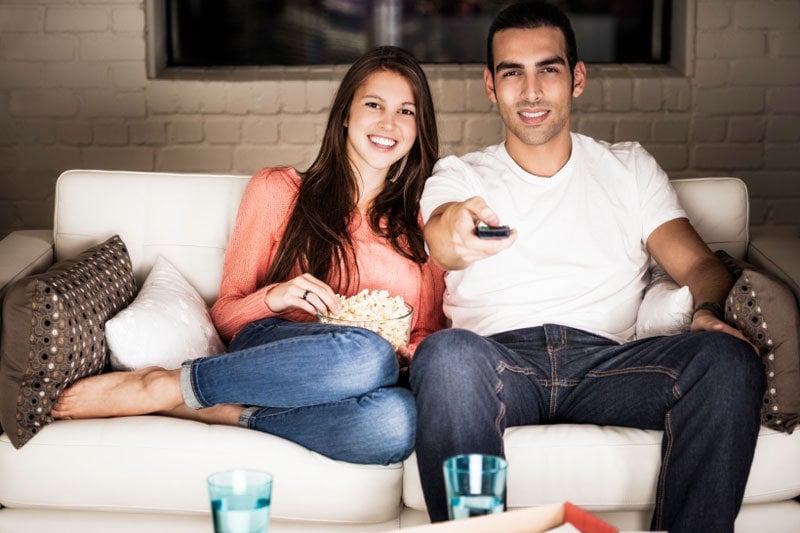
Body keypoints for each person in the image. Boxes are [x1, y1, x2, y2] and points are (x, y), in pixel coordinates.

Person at [409, 2, 764, 531]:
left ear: (576, 78)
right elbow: (441, 238)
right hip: (498, 363)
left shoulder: (628, 167)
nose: (531, 91)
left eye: (547, 69)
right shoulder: (460, 174)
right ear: (490, 85)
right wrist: (456, 229)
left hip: (612, 365)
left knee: (728, 361)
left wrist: (709, 311)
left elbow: (699, 266)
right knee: (445, 356)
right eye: (513, 73)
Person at [51, 46, 447, 466]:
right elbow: (225, 318)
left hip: (368, 376)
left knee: (397, 422)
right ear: (345, 114)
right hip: (276, 345)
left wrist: (411, 351)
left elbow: (427, 333)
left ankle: (229, 412)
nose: (389, 122)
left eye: (406, 111)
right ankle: (164, 386)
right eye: (374, 104)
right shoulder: (280, 191)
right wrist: (275, 297)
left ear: (419, 128)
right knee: (367, 354)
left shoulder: (428, 219)